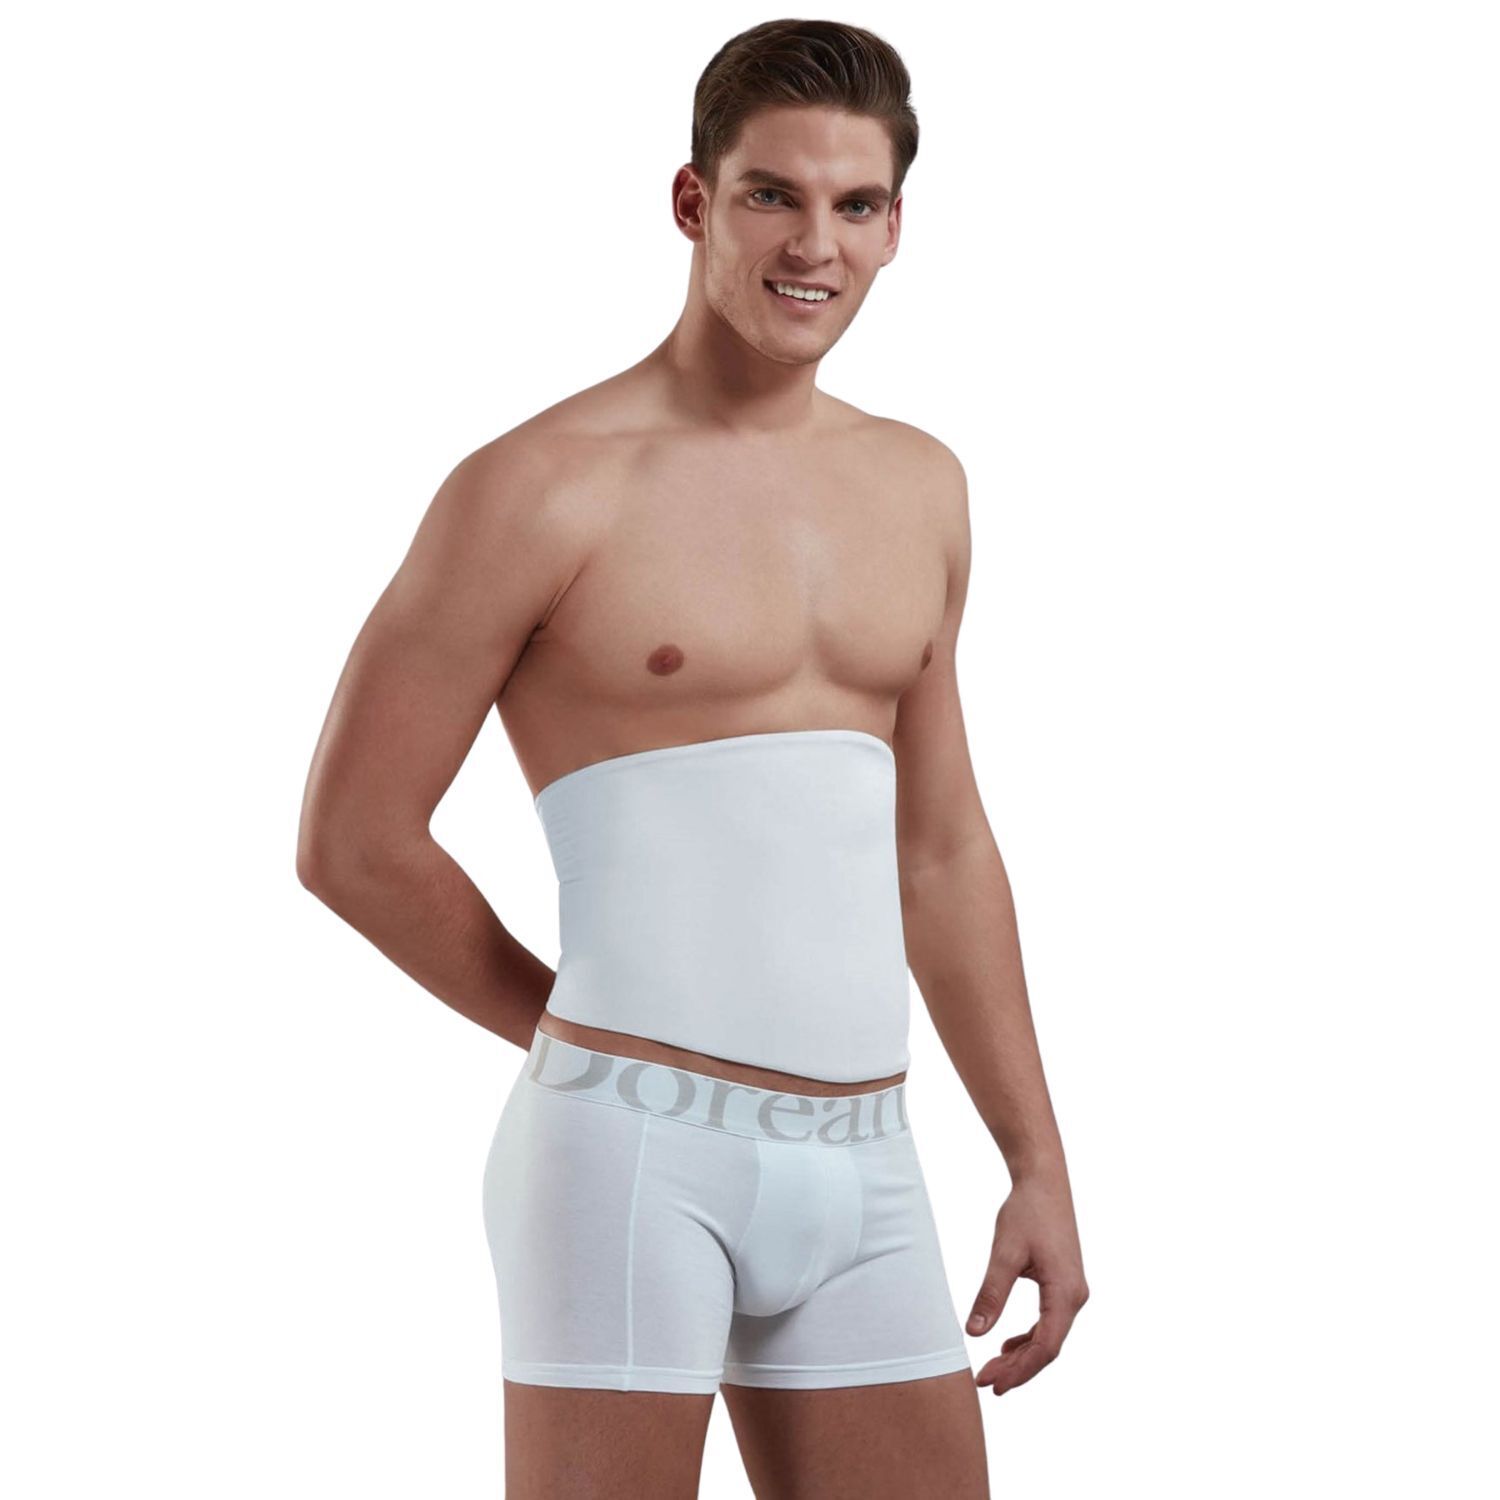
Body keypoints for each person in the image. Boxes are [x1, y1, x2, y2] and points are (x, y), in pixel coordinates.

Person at [296, 18, 1087, 1498]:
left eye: (855, 204)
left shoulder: (920, 485)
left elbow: (939, 849)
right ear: (693, 202)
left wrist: (1035, 1161)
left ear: (896, 225)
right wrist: (577, 1042)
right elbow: (354, 843)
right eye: (772, 194)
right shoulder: (538, 489)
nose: (815, 245)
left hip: (870, 1159)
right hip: (630, 1159)